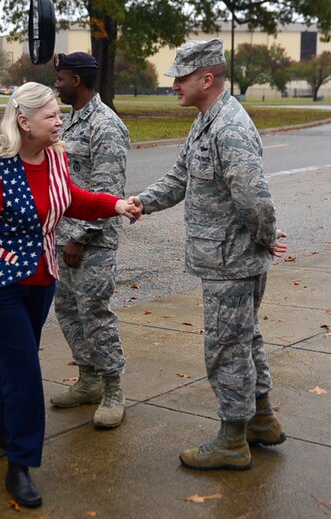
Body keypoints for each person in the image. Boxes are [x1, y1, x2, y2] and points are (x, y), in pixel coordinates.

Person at [0, 82, 140, 507]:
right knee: (24, 372)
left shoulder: (55, 158)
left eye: (60, 114)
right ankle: (19, 464)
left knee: (15, 362)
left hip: (41, 282)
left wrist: (115, 206)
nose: (61, 121)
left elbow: (70, 200)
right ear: (25, 121)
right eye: (52, 115)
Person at [127, 39, 289, 471]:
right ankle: (262, 420)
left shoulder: (228, 127)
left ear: (207, 78)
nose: (174, 85)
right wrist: (143, 201)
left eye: (180, 78)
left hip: (231, 261)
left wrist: (265, 237)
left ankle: (232, 441)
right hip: (227, 258)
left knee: (225, 348)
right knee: (245, 338)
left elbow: (256, 199)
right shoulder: (207, 120)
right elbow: (181, 175)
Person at [50, 52, 131, 429]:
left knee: (95, 315)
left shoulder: (106, 125)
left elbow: (107, 190)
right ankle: (88, 380)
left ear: (77, 81)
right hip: (62, 235)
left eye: (61, 78)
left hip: (91, 241)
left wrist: (80, 238)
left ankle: (114, 389)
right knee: (67, 310)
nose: (57, 84)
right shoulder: (68, 122)